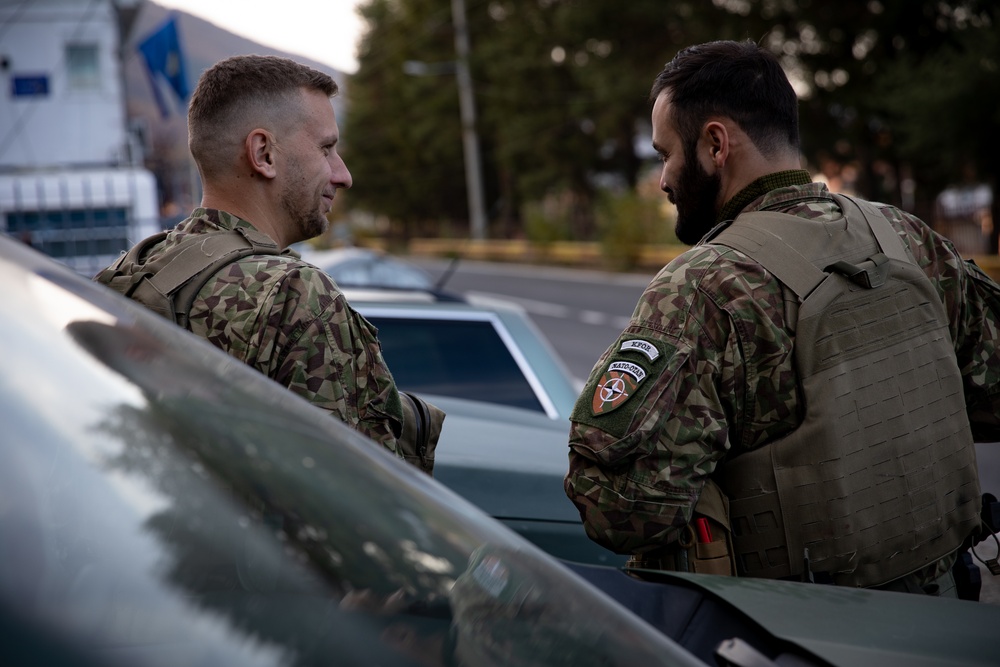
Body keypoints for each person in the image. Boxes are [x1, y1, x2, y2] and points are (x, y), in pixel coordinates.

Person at [564, 40, 1000, 595]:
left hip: (794, 625)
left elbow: (621, 511)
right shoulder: (906, 238)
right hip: (944, 607)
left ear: (716, 144)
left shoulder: (701, 287)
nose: (663, 178)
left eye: (665, 154)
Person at [95, 55, 442, 474]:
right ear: (263, 154)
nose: (342, 174)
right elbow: (349, 498)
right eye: (326, 149)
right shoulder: (295, 294)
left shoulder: (137, 270)